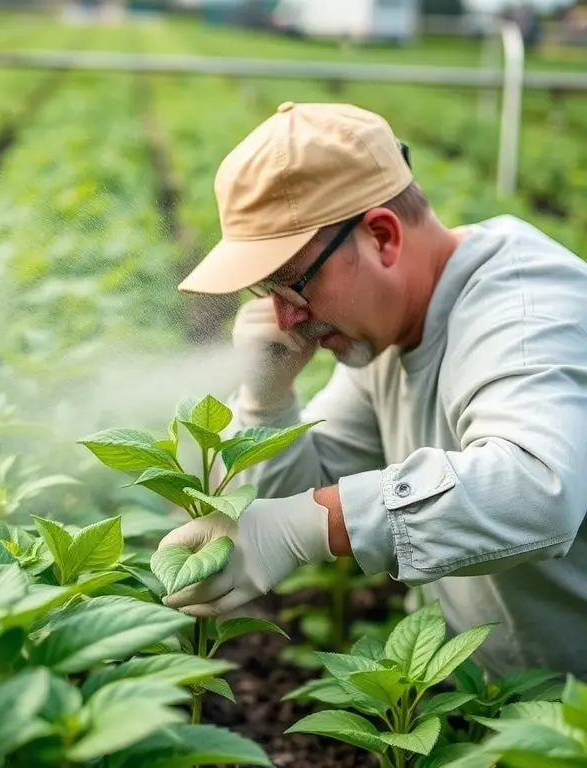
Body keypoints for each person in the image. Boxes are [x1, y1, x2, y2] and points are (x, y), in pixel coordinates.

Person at [156, 100, 587, 680]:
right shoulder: (388, 333)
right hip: (483, 698)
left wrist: (305, 525)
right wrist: (267, 399)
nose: (287, 319)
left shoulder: (527, 313)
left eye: (293, 285)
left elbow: (537, 490)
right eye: (267, 293)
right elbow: (302, 488)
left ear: (382, 237)